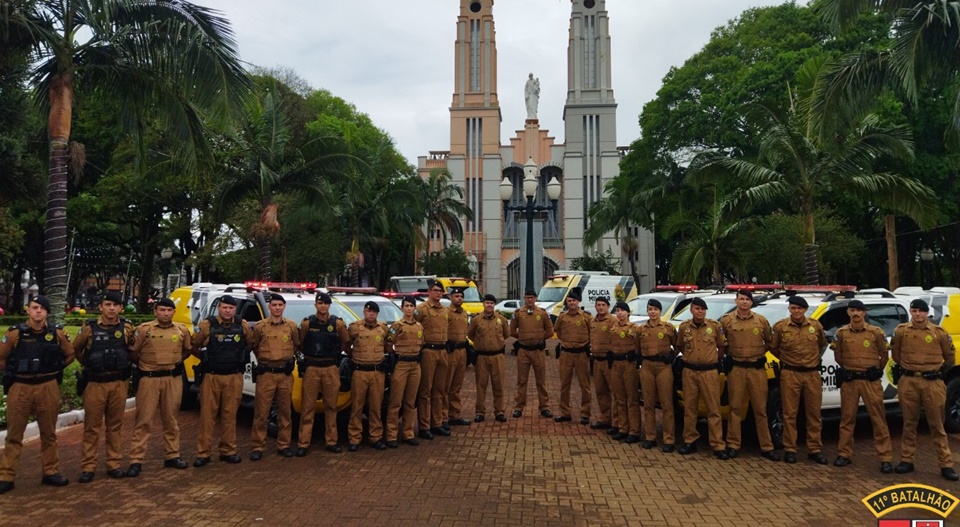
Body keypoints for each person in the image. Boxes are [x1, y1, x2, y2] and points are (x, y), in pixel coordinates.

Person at [0, 297, 74, 493]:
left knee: (49, 433)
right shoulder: (15, 333)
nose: (38, 311)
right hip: (21, 386)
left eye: (42, 308)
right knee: (14, 434)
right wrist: (11, 374)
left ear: (47, 312)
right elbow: (1, 357)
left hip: (47, 385)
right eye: (34, 308)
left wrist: (55, 369)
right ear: (28, 311)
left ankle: (51, 472)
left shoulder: (57, 333)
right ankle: (6, 476)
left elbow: (70, 354)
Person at [891, 299, 958, 481]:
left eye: (921, 311)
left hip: (932, 382)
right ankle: (907, 460)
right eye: (914, 311)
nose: (918, 314)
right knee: (909, 423)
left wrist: (935, 372)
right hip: (909, 381)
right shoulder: (901, 331)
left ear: (927, 313)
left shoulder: (939, 333)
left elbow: (950, 358)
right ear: (911, 312)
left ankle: (946, 464)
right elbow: (896, 355)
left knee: (937, 424)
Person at [126, 297, 192, 477]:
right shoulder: (144, 330)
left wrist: (175, 362)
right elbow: (133, 353)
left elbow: (187, 350)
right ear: (155, 312)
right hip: (149, 379)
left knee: (171, 419)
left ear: (173, 312)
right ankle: (136, 460)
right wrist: (145, 366)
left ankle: (172, 455)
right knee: (144, 420)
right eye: (162, 310)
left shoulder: (181, 330)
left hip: (172, 379)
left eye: (169, 310)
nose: (165, 313)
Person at [73, 291, 135, 482]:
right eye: (107, 304)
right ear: (101, 307)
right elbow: (76, 349)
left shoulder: (127, 328)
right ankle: (88, 467)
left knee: (115, 426)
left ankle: (113, 464)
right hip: (95, 383)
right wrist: (90, 365)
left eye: (115, 305)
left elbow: (133, 350)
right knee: (92, 426)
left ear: (120, 308)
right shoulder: (89, 328)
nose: (111, 308)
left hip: (118, 383)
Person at [190, 295, 253, 467]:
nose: (227, 311)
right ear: (219, 308)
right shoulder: (207, 325)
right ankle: (203, 453)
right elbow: (193, 345)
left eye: (231, 308)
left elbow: (249, 344)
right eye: (224, 307)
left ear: (234, 309)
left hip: (234, 376)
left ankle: (228, 451)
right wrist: (205, 358)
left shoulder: (242, 325)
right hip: (212, 375)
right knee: (207, 416)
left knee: (230, 414)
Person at [831, 300, 892, 472]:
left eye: (859, 310)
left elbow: (884, 356)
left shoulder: (876, 333)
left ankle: (885, 457)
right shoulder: (841, 333)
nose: (855, 313)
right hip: (850, 381)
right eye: (852, 310)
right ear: (848, 312)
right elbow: (838, 356)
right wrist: (849, 369)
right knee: (847, 419)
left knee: (878, 419)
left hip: (870, 381)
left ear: (864, 313)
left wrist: (876, 370)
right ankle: (844, 454)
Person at [718, 290, 779, 461]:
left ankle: (766, 446)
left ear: (751, 303)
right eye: (741, 299)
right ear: (736, 301)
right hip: (736, 369)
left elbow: (769, 342)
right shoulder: (727, 320)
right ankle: (733, 444)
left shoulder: (761, 321)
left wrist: (757, 355)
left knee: (761, 409)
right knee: (735, 408)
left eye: (747, 299)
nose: (744, 302)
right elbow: (722, 343)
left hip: (756, 370)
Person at [771, 296, 828, 465]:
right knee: (789, 413)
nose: (796, 311)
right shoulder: (781, 327)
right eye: (793, 308)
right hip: (790, 373)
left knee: (814, 413)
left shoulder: (815, 326)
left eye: (799, 308)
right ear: (789, 309)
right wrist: (787, 360)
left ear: (805, 309)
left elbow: (822, 345)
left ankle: (815, 449)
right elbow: (774, 348)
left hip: (811, 374)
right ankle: (790, 449)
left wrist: (813, 360)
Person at [296, 292, 349, 455]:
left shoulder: (338, 324)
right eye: (320, 303)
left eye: (326, 303)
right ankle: (303, 443)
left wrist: (332, 355)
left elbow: (344, 342)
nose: (323, 306)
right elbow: (300, 343)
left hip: (330, 368)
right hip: (312, 368)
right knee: (308, 407)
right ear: (315, 305)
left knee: (331, 406)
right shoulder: (307, 323)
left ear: (329, 305)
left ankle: (331, 441)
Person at [249, 293, 300, 461]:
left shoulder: (291, 326)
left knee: (285, 412)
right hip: (266, 375)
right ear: (269, 307)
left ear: (284, 307)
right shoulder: (260, 327)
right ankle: (257, 446)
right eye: (274, 305)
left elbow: (296, 345)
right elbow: (254, 345)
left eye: (280, 305)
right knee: (261, 412)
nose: (277, 308)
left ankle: (284, 444)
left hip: (285, 374)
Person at [676, 297, 728, 459]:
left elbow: (721, 347)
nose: (700, 312)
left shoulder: (714, 326)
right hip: (690, 372)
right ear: (691, 310)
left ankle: (718, 444)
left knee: (714, 409)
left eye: (702, 309)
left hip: (709, 372)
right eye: (697, 309)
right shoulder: (684, 327)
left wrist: (713, 360)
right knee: (690, 408)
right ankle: (690, 440)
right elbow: (680, 346)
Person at [346, 301, 389, 451]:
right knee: (356, 406)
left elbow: (388, 346)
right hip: (360, 371)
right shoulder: (354, 327)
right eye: (368, 311)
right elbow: (346, 345)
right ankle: (354, 438)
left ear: (377, 314)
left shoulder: (383, 328)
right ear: (364, 312)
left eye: (374, 312)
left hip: (377, 372)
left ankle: (375, 437)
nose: (371, 314)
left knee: (376, 406)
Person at [637, 298, 678, 452]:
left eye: (655, 309)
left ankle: (669, 439)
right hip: (647, 366)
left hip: (663, 367)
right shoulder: (641, 329)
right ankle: (650, 436)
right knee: (648, 404)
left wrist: (671, 356)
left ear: (660, 312)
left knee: (667, 404)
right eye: (650, 309)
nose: (652, 312)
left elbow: (677, 344)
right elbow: (637, 348)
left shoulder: (668, 328)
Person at [385, 296, 424, 447]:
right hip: (401, 365)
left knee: (410, 402)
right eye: (406, 306)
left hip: (415, 365)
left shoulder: (419, 327)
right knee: (396, 402)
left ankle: (408, 433)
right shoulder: (397, 325)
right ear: (402, 308)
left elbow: (422, 344)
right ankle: (391, 435)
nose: (409, 308)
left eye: (411, 306)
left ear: (415, 309)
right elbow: (389, 344)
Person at [510, 288, 554, 418]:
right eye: (527, 297)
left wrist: (541, 340)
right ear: (524, 298)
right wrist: (523, 338)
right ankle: (519, 407)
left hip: (538, 351)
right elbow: (511, 331)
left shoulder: (542, 313)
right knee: (522, 381)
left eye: (532, 297)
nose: (530, 299)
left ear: (535, 299)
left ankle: (544, 407)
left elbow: (550, 331)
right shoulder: (518, 313)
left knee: (541, 381)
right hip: (523, 351)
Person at [415, 280, 450, 438]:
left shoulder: (444, 310)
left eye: (440, 291)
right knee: (426, 391)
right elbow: (413, 326)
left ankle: (437, 423)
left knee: (439, 390)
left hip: (442, 351)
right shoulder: (421, 309)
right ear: (429, 292)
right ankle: (424, 426)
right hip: (428, 351)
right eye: (435, 290)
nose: (438, 293)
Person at [553, 290, 592, 424]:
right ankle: (565, 412)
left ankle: (585, 413)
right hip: (566, 354)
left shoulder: (586, 317)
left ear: (578, 302)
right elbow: (557, 331)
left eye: (574, 300)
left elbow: (591, 332)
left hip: (581, 354)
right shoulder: (562, 317)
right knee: (564, 384)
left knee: (585, 385)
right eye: (569, 301)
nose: (572, 303)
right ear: (567, 302)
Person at [469, 294, 509, 423]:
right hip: (482, 357)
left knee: (498, 385)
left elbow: (506, 334)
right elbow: (470, 334)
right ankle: (480, 412)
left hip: (498, 356)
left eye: (491, 303)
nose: (489, 305)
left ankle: (499, 411)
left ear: (494, 305)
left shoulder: (501, 319)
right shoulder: (476, 320)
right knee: (481, 385)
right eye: (487, 303)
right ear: (483, 304)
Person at [607, 301, 640, 443]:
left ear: (628, 313)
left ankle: (634, 430)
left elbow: (639, 346)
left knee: (631, 399)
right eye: (618, 310)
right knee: (619, 398)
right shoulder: (613, 328)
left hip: (629, 365)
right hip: (616, 364)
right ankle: (623, 427)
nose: (620, 313)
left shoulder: (634, 328)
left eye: (622, 310)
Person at [443, 287, 471, 429]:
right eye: (456, 296)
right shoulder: (446, 313)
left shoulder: (464, 314)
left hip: (462, 351)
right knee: (446, 385)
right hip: (451, 351)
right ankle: (442, 417)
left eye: (461, 296)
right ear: (450, 298)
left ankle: (454, 415)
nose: (459, 298)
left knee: (457, 385)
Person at [588, 297, 616, 432]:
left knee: (614, 391)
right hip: (596, 360)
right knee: (600, 391)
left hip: (609, 361)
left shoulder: (613, 321)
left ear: (608, 306)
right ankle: (605, 418)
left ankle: (616, 422)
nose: (600, 307)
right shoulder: (592, 321)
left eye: (603, 305)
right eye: (598, 305)